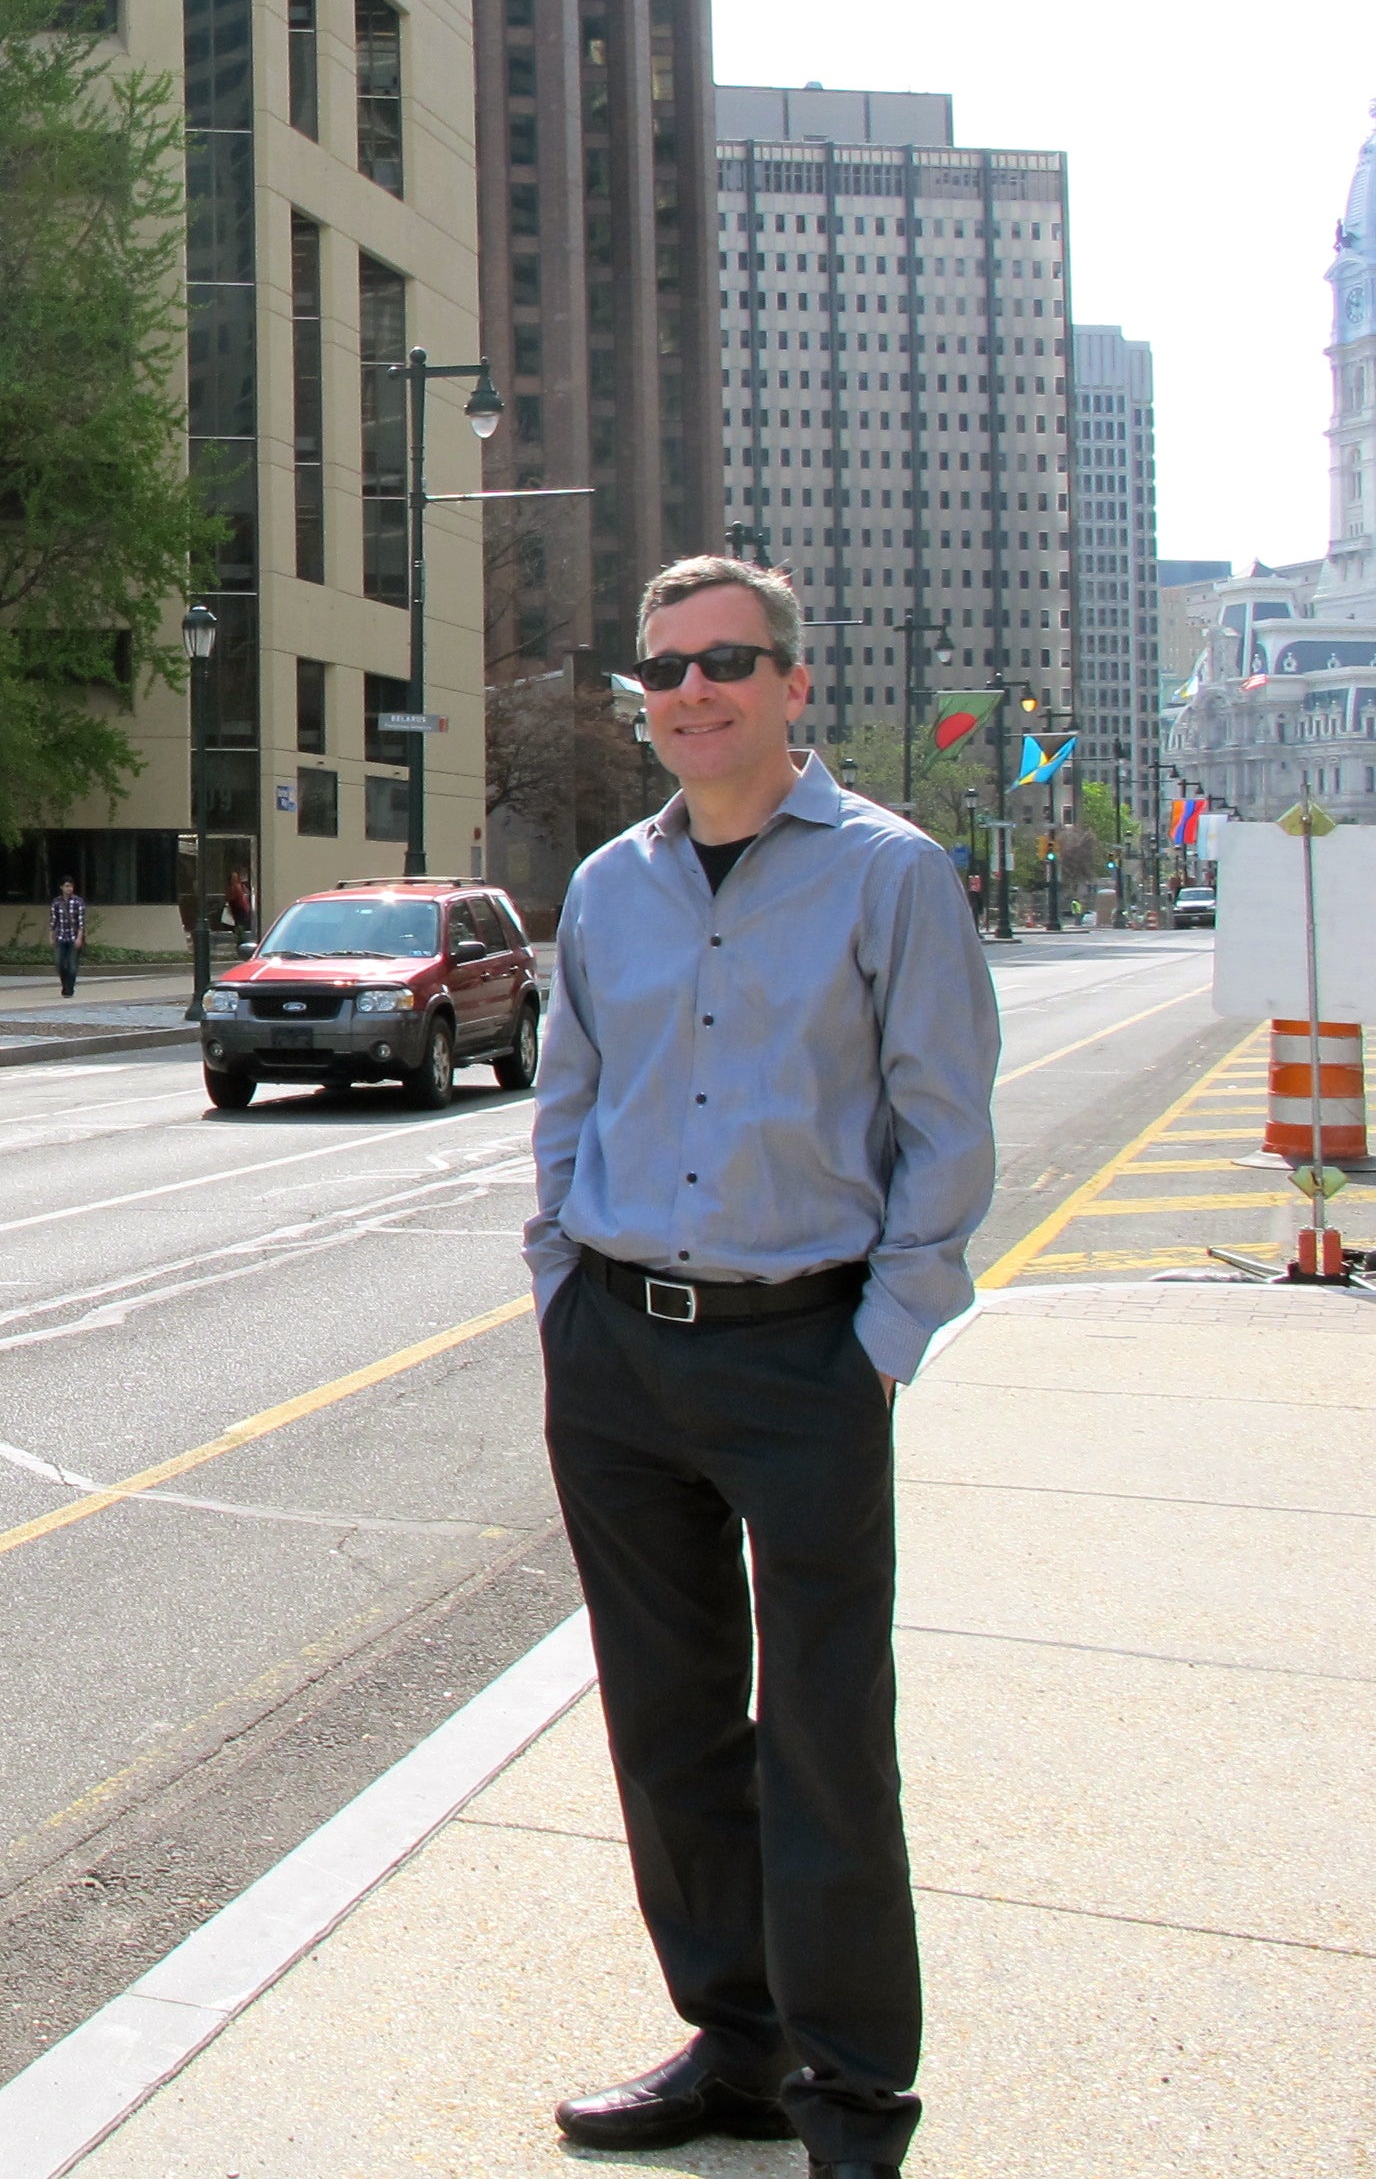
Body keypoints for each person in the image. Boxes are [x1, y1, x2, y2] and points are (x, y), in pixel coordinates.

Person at [527, 554, 998, 2179]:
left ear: (793, 684)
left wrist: (878, 1338)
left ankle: (854, 2097)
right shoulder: (605, 888)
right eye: (655, 667)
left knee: (820, 1740)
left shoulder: (890, 874)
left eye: (724, 659)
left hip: (799, 1354)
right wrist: (557, 1298)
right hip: (614, 1362)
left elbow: (944, 1127)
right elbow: (565, 1104)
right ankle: (735, 2047)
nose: (686, 690)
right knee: (664, 1732)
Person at [48, 877, 87, 999]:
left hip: (73, 937)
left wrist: (79, 938)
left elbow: (81, 923)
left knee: (72, 965)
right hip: (61, 937)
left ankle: (69, 989)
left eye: (70, 886)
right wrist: (51, 937)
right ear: (61, 887)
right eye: (66, 886)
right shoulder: (56, 902)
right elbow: (54, 921)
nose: (69, 888)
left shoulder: (78, 902)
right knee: (59, 963)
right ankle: (65, 984)